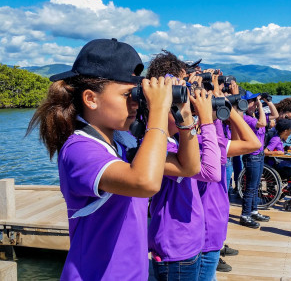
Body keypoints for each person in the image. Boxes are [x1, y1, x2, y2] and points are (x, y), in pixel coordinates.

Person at [26, 38, 174, 280]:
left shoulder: (122, 144)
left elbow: (190, 168)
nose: (136, 102)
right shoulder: (79, 149)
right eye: (128, 94)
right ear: (90, 99)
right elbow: (145, 183)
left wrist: (186, 118)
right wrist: (158, 111)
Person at [147, 51, 218, 281]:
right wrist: (205, 121)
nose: (186, 99)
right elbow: (211, 172)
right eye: (179, 94)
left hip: (188, 246)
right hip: (175, 252)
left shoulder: (175, 141)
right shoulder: (157, 146)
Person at [197, 76, 261, 279]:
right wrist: (219, 108)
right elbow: (250, 143)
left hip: (214, 228)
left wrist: (224, 105)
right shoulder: (197, 147)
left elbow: (250, 143)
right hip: (205, 234)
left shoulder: (210, 143)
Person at [240, 90, 278, 228]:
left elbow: (275, 115)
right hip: (252, 156)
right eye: (252, 102)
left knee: (256, 186)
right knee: (250, 187)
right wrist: (260, 106)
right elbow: (262, 123)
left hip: (260, 155)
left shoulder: (255, 115)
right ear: (244, 104)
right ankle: (245, 215)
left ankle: (254, 211)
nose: (255, 104)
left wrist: (267, 101)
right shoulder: (245, 118)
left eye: (254, 101)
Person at [264, 119, 291, 187]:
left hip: (281, 161)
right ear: (285, 131)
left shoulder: (280, 138)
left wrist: (287, 148)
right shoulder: (276, 139)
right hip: (277, 164)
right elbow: (265, 152)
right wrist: (277, 152)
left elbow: (278, 149)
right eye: (290, 130)